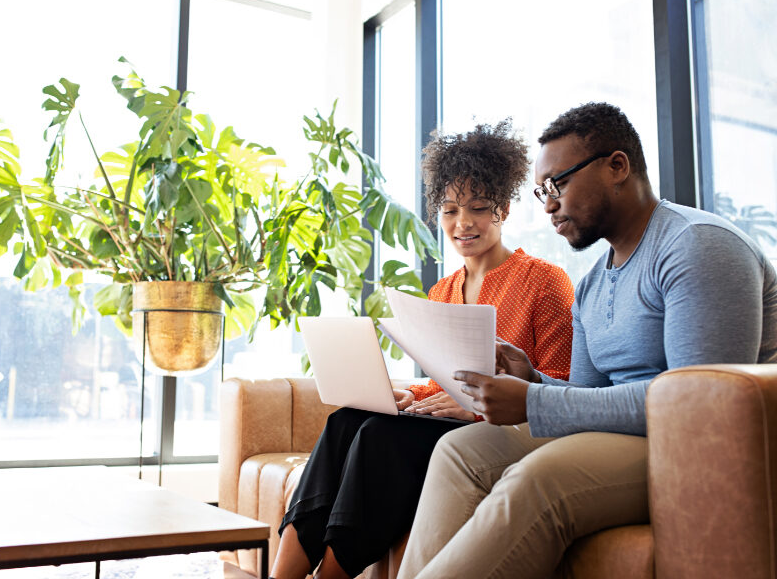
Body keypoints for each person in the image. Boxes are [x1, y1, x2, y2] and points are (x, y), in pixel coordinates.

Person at [397, 102, 777, 579]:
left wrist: (534, 401)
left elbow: (695, 410)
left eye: (558, 184)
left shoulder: (696, 246)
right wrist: (532, 379)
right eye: (541, 192)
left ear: (617, 167)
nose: (549, 203)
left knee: (538, 479)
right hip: (630, 436)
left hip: (694, 447)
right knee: (459, 452)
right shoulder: (593, 285)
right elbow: (589, 399)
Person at [270, 120, 575, 579]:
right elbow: (442, 379)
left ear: (504, 210)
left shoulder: (545, 281)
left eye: (477, 208)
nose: (462, 223)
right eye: (450, 210)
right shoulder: (442, 291)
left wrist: (472, 408)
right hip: (444, 425)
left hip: (504, 431)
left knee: (379, 440)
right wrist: (411, 397)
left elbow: (560, 386)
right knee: (346, 422)